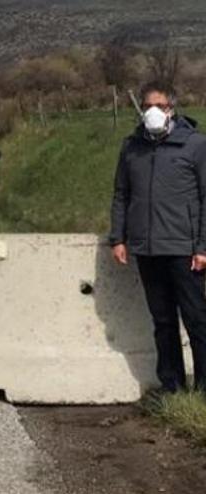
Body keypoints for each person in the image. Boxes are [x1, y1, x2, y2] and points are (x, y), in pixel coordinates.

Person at [110, 81, 206, 395]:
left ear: (172, 109)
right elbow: (121, 195)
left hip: (184, 249)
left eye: (161, 106)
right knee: (162, 321)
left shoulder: (194, 145)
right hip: (147, 249)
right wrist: (118, 238)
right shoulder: (131, 147)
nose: (154, 112)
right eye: (148, 105)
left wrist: (202, 246)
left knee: (196, 320)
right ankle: (172, 386)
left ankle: (203, 388)